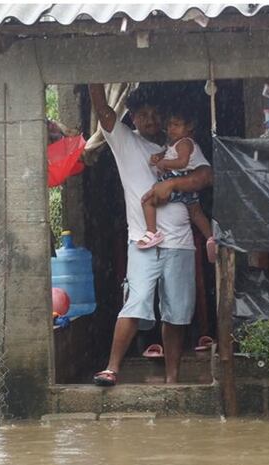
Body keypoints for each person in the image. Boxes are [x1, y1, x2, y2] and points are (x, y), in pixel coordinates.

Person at [87, 84, 214, 386]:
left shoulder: (181, 147)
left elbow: (206, 176)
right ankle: (112, 369)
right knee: (136, 302)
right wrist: (92, 78)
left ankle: (172, 378)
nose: (150, 120)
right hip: (143, 243)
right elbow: (103, 110)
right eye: (143, 115)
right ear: (131, 117)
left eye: (156, 115)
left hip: (180, 244)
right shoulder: (125, 141)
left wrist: (172, 184)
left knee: (176, 314)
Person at [139, 109, 211, 250]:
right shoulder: (174, 143)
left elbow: (182, 162)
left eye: (176, 125)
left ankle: (151, 233)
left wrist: (164, 163)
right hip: (187, 185)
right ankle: (210, 238)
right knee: (196, 213)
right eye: (169, 125)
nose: (171, 129)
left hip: (177, 179)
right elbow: (168, 152)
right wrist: (159, 156)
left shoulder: (184, 143)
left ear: (189, 126)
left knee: (148, 201)